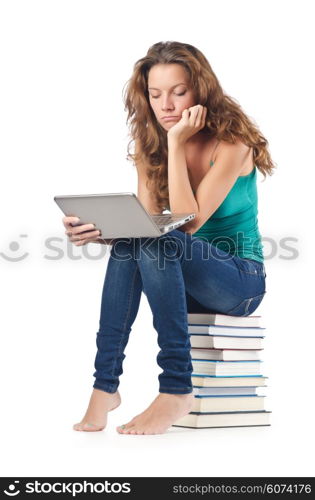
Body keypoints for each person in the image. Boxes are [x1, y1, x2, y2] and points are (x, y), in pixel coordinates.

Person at [62, 41, 276, 435]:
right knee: (133, 242)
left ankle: (177, 387)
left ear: (201, 91)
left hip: (240, 281)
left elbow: (186, 224)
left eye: (179, 92)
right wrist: (99, 235)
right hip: (179, 277)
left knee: (162, 240)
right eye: (156, 94)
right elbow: (144, 231)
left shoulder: (233, 143)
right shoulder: (150, 145)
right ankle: (104, 386)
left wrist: (176, 144)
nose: (167, 106)